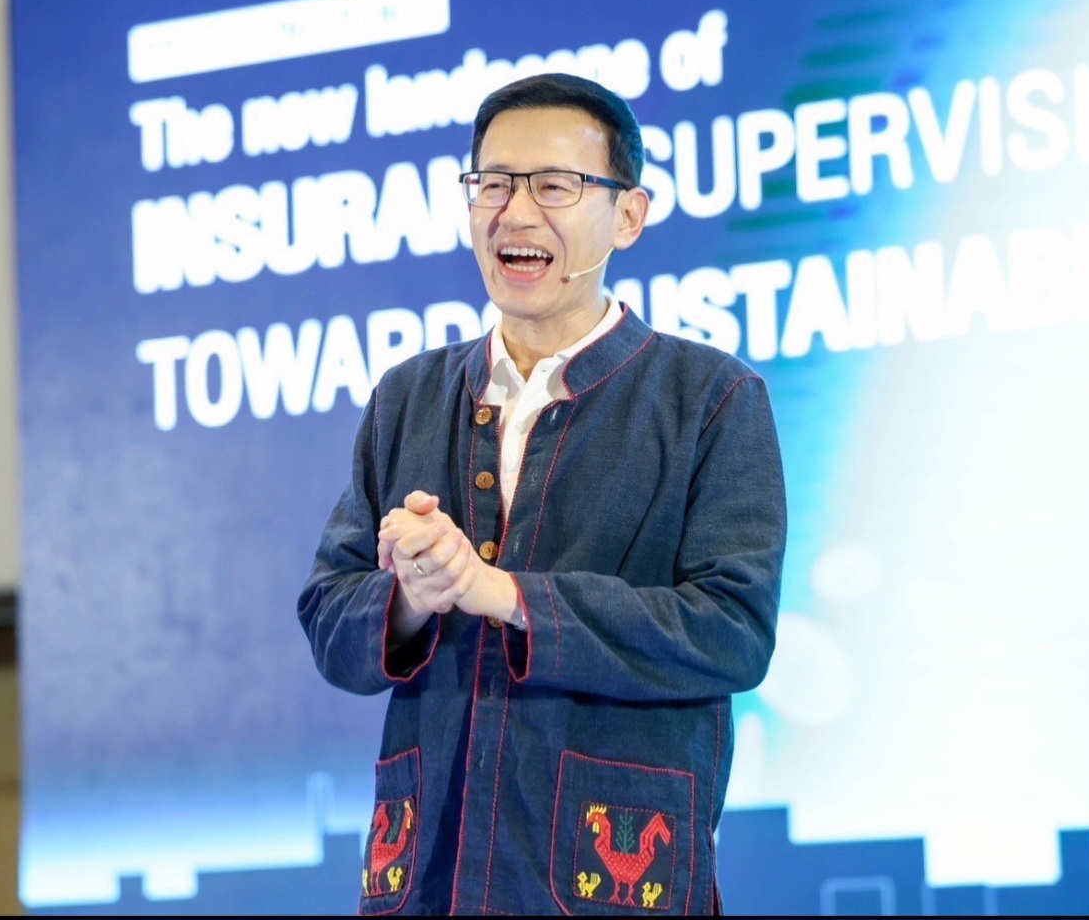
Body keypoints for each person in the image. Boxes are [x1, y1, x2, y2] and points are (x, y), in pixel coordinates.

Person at [299, 73, 785, 916]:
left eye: (554, 185)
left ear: (627, 215)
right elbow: (329, 621)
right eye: (492, 184)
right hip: (432, 878)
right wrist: (413, 594)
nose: (515, 213)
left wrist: (506, 595)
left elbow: (731, 631)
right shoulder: (407, 396)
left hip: (605, 879)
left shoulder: (710, 397)